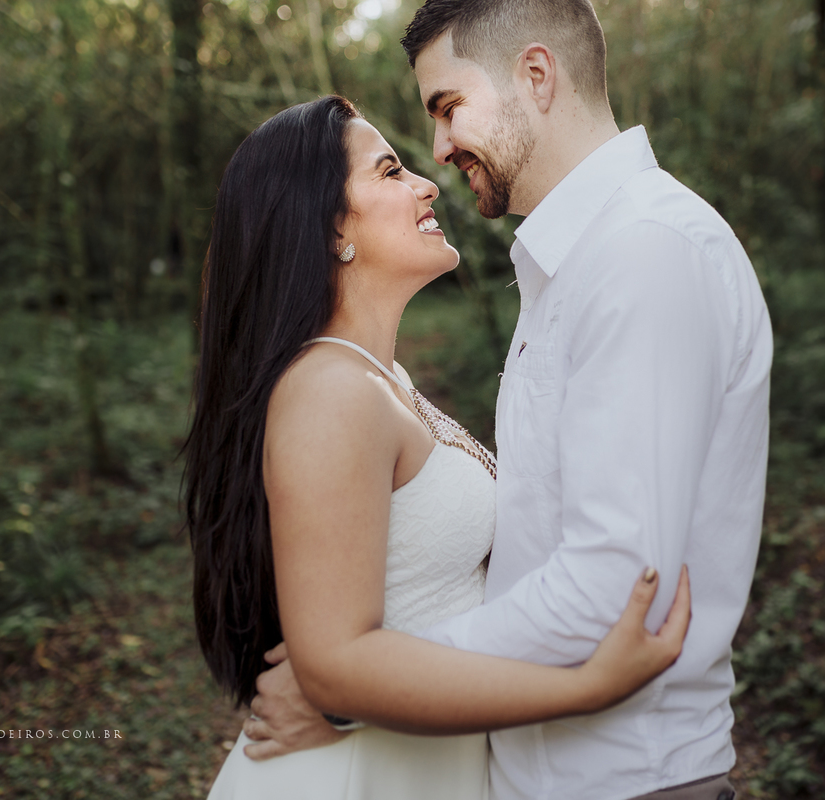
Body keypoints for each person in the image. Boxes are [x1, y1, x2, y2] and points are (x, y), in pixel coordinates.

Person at [243, 2, 773, 799]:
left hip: (621, 779)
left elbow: (612, 591)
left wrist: (357, 690)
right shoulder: (574, 264)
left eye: (448, 106)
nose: (438, 151)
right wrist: (358, 680)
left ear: (535, 75)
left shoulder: (643, 253)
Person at [186, 95, 692, 800]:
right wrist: (589, 686)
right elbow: (334, 669)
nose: (427, 183)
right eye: (390, 171)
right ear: (332, 227)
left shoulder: (378, 377)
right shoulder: (330, 391)